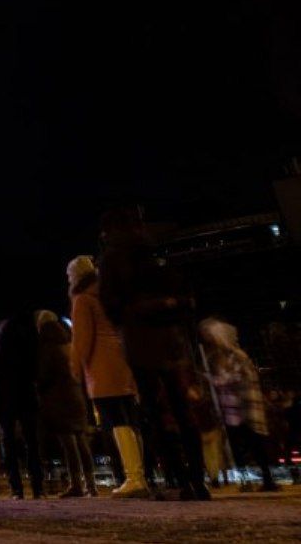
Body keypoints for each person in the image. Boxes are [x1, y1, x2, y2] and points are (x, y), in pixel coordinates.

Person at [99, 208, 210, 500]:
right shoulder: (153, 251)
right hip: (171, 338)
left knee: (153, 411)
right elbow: (184, 291)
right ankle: (199, 480)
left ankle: (178, 480)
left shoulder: (111, 258)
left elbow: (110, 303)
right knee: (182, 409)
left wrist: (126, 318)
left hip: (139, 338)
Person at [66, 255, 149, 498]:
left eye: (69, 275)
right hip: (122, 362)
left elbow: (82, 339)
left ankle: (134, 478)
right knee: (130, 421)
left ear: (76, 276)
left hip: (102, 367)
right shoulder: (107, 295)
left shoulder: (82, 299)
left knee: (116, 421)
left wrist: (75, 368)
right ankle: (140, 475)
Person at [200, 317, 280, 491]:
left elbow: (241, 377)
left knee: (255, 445)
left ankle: (267, 479)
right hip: (231, 411)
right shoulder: (215, 357)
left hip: (245, 408)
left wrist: (215, 380)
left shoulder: (237, 355)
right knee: (238, 449)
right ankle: (246, 481)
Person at [35, 309, 96, 498]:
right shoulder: (69, 344)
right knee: (81, 440)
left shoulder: (47, 347)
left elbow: (43, 375)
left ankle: (76, 483)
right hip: (76, 395)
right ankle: (91, 484)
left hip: (58, 398)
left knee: (68, 442)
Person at [0, 315, 44, 499]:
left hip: (3, 395)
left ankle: (16, 487)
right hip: (25, 392)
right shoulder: (25, 339)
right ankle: (38, 486)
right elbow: (35, 367)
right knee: (31, 441)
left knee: (8, 442)